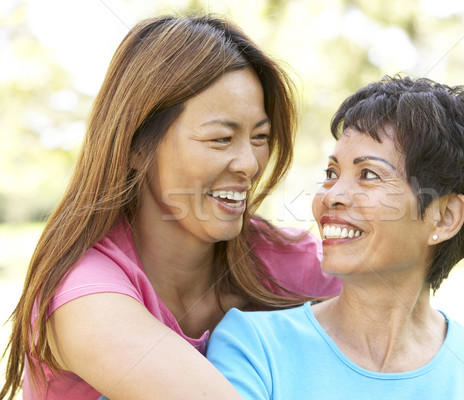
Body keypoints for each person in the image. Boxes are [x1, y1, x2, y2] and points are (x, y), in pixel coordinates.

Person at [0, 13, 341, 400]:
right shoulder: (83, 294)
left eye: (260, 136)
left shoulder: (284, 260)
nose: (249, 163)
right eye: (221, 138)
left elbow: (409, 321)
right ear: (137, 145)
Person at [207, 75, 464, 399]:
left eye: (369, 175)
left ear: (445, 217)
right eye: (331, 174)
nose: (331, 196)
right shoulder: (253, 347)